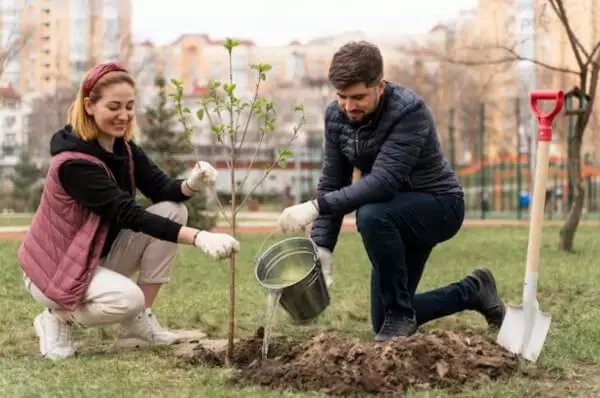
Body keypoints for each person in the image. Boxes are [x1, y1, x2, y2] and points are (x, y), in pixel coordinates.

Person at [276, 41, 506, 341]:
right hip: (392, 214)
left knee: (371, 216)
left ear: (380, 86)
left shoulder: (409, 111)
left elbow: (384, 180)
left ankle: (400, 311)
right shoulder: (336, 117)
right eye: (342, 97)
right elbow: (334, 179)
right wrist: (322, 245)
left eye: (358, 97)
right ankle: (474, 290)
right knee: (382, 320)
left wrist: (316, 207)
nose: (349, 106)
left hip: (438, 206)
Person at [18, 62, 240, 360]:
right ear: (89, 106)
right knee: (127, 299)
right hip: (57, 269)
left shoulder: (125, 149)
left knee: (173, 210)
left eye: (129, 106)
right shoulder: (74, 164)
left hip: (94, 255)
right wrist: (200, 238)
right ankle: (56, 318)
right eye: (113, 106)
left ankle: (135, 327)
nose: (123, 115)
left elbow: (162, 191)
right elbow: (129, 214)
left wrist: (191, 184)